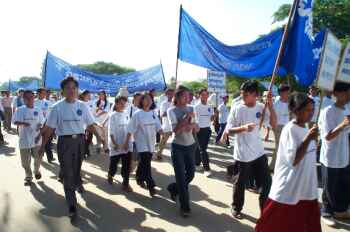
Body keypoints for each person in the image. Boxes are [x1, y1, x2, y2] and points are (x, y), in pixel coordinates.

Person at [255, 92, 321, 232]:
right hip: (289, 187)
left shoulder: (307, 128)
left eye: (312, 110)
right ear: (296, 110)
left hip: (306, 188)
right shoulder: (290, 129)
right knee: (277, 225)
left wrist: (313, 141)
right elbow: (294, 160)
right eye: (307, 110)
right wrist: (308, 139)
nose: (311, 113)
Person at [39, 76, 102, 222]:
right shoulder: (57, 107)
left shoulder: (83, 106)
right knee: (68, 172)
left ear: (77, 90)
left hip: (80, 141)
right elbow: (49, 129)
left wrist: (100, 136)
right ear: (62, 91)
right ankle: (72, 204)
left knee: (76, 168)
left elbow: (91, 124)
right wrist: (42, 146)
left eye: (74, 88)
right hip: (65, 142)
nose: (71, 90)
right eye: (68, 88)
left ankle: (76, 181)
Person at [223, 80, 276, 219]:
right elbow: (228, 130)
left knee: (267, 184)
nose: (243, 96)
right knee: (240, 184)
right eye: (243, 93)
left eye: (247, 94)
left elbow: (274, 124)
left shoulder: (261, 107)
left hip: (259, 153)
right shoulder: (237, 108)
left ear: (256, 95)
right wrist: (243, 128)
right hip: (243, 155)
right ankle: (236, 207)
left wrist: (270, 105)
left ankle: (264, 213)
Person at [319, 82, 350, 225]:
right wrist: (343, 124)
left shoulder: (348, 109)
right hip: (330, 156)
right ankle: (326, 212)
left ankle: (340, 210)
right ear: (336, 93)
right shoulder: (328, 111)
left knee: (343, 184)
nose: (349, 95)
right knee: (329, 185)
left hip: (344, 154)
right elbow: (327, 136)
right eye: (346, 92)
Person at [167, 86, 199, 217]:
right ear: (178, 97)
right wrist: (186, 119)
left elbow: (196, 128)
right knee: (180, 176)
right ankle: (185, 207)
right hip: (178, 147)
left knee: (191, 174)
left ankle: (173, 188)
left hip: (191, 145)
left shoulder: (192, 108)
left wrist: (192, 126)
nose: (187, 98)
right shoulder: (171, 111)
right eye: (185, 96)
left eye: (188, 96)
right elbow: (176, 131)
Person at [126, 93, 163, 197]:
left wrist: (162, 132)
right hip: (141, 143)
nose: (148, 101)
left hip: (151, 142)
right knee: (147, 163)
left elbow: (158, 126)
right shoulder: (137, 114)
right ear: (142, 101)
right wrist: (126, 143)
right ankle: (151, 185)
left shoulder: (153, 113)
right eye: (146, 99)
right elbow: (130, 129)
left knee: (144, 162)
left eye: (150, 99)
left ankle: (139, 177)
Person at [13, 90, 44, 186]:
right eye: (27, 98)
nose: (30, 99)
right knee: (25, 162)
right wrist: (23, 123)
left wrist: (39, 125)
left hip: (36, 138)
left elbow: (42, 121)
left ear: (34, 98)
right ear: (24, 99)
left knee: (38, 158)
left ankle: (36, 170)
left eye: (31, 97)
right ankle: (28, 176)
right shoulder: (20, 110)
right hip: (24, 139)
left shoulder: (38, 110)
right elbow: (14, 121)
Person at [107, 96, 133, 192]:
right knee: (114, 164)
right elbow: (111, 131)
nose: (123, 105)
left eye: (124, 103)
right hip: (116, 144)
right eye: (121, 103)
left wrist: (128, 141)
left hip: (126, 143)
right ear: (116, 104)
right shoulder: (113, 115)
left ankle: (125, 183)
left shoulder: (126, 114)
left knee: (126, 165)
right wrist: (115, 143)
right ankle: (110, 174)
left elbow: (129, 128)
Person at [194, 88, 214, 177]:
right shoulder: (196, 106)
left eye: (206, 94)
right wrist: (196, 127)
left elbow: (211, 119)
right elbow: (193, 119)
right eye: (203, 94)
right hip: (199, 130)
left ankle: (197, 163)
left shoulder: (210, 106)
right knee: (203, 150)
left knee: (201, 148)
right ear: (199, 95)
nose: (205, 96)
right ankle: (207, 169)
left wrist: (214, 116)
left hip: (208, 129)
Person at [270, 84, 290, 171]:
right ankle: (272, 166)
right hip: (278, 127)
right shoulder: (277, 104)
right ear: (282, 93)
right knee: (279, 146)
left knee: (286, 147)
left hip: (288, 127)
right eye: (287, 92)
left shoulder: (290, 103)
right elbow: (272, 117)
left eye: (288, 92)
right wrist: (274, 127)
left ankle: (282, 165)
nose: (288, 93)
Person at [35, 88, 55, 163]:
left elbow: (51, 113)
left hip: (47, 124)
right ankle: (40, 155)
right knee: (38, 141)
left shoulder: (48, 102)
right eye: (43, 93)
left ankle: (50, 157)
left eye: (45, 93)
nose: (44, 94)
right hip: (37, 124)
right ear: (38, 93)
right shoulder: (34, 102)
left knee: (48, 140)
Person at [156, 88, 175, 160]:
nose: (171, 95)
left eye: (172, 93)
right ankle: (159, 154)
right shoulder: (164, 103)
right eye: (169, 93)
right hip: (166, 126)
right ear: (166, 94)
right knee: (163, 142)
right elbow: (161, 115)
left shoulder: (175, 103)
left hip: (174, 126)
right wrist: (170, 112)